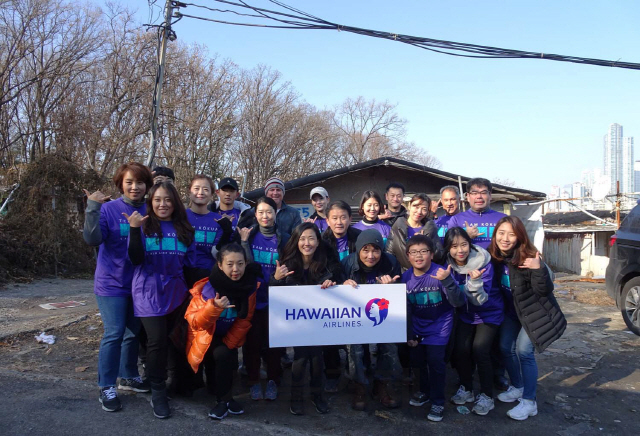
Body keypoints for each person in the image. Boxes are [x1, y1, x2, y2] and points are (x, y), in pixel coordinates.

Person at [83, 162, 154, 412]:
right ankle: (106, 386)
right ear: (120, 184)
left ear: (147, 185)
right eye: (129, 182)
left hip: (139, 284)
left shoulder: (151, 210)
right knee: (114, 333)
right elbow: (92, 239)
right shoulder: (109, 209)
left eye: (140, 182)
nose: (135, 187)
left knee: (133, 333)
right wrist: (92, 206)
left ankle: (128, 375)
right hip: (111, 283)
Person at [125, 181, 197, 419]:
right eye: (157, 200)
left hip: (176, 291)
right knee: (156, 341)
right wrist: (134, 230)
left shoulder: (184, 229)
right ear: (150, 202)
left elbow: (190, 265)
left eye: (167, 199)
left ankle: (176, 383)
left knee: (175, 340)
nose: (162, 204)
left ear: (174, 202)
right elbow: (135, 258)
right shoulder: (143, 226)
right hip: (148, 291)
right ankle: (157, 390)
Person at [489, 216, 566, 421]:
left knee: (524, 351)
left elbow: (544, 290)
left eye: (511, 234)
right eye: (501, 233)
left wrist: (538, 268)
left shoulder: (530, 257)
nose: (505, 238)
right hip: (513, 313)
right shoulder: (496, 257)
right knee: (505, 347)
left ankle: (530, 402)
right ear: (495, 234)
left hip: (536, 314)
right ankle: (517, 386)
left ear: (520, 237)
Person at [270, 223, 343, 415]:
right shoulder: (287, 263)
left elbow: (336, 289)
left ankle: (317, 396)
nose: (306, 243)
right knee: (300, 357)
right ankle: (296, 397)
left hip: (319, 321)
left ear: (318, 242)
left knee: (317, 358)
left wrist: (331, 284)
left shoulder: (326, 263)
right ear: (296, 241)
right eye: (302, 238)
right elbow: (276, 295)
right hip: (297, 321)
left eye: (311, 238)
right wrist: (276, 279)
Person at [184, 243, 262, 420]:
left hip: (228, 336)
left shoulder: (249, 286)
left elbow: (244, 319)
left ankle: (225, 399)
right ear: (219, 265)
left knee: (227, 355)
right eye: (230, 264)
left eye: (240, 264)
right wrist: (213, 309)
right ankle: (223, 400)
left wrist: (230, 342)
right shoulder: (207, 289)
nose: (236, 269)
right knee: (222, 357)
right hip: (205, 336)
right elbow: (194, 322)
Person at [403, 235, 465, 422]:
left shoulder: (442, 273)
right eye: (414, 252)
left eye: (423, 251)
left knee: (436, 361)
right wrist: (409, 332)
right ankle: (424, 391)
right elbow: (405, 308)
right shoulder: (405, 278)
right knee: (418, 361)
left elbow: (458, 302)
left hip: (440, 326)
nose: (419, 256)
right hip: (417, 326)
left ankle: (438, 401)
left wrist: (447, 282)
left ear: (431, 254)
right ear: (408, 256)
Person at [445, 227, 504, 416]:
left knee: (480, 349)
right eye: (454, 246)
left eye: (463, 244)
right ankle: (467, 388)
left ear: (470, 244)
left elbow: (480, 300)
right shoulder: (449, 266)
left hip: (489, 313)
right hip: (466, 315)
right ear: (448, 249)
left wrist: (475, 283)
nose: (459, 250)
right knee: (461, 349)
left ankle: (487, 395)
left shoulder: (482, 263)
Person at [342, 229, 402, 410]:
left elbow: (398, 296)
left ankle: (381, 384)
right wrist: (342, 285)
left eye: (375, 250)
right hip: (354, 316)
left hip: (382, 314)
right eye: (365, 250)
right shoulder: (347, 263)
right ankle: (359, 385)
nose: (370, 255)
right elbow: (334, 294)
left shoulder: (390, 262)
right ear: (358, 249)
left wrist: (390, 288)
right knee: (354, 349)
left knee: (389, 345)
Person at [238, 196, 290, 401]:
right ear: (255, 214)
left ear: (275, 213)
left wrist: (275, 280)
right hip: (252, 297)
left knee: (273, 344)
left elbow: (287, 268)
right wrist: (242, 242)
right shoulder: (248, 236)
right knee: (251, 343)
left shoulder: (284, 238)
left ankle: (273, 380)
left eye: (268, 212)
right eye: (260, 212)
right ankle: (252, 381)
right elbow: (244, 267)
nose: (265, 216)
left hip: (275, 299)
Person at [186, 175, 234, 286]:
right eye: (196, 188)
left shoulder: (218, 220)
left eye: (206, 189)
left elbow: (216, 253)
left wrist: (227, 232)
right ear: (189, 192)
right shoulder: (180, 217)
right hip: (182, 276)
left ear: (212, 195)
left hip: (208, 277)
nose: (201, 192)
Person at [387, 193, 445, 269]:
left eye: (424, 209)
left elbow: (439, 255)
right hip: (403, 274)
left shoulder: (430, 228)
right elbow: (389, 254)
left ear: (428, 211)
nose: (419, 212)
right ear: (409, 206)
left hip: (425, 274)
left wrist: (426, 242)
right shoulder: (397, 227)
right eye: (416, 207)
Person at [448, 178, 506, 250]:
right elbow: (449, 247)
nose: (479, 197)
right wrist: (466, 236)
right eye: (474, 193)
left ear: (490, 195)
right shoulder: (456, 220)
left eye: (483, 192)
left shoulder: (503, 219)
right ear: (468, 196)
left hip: (497, 261)